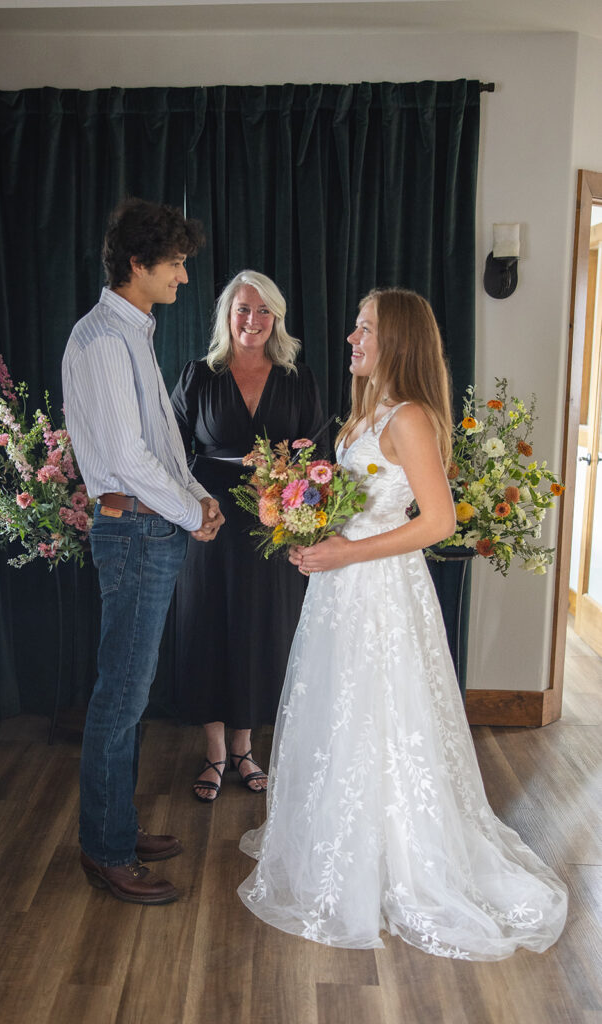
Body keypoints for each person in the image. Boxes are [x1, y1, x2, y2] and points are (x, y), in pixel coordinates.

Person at [238, 288, 568, 958]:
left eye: (364, 329)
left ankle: (397, 861)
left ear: (397, 343)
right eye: (356, 326)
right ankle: (344, 839)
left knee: (382, 716)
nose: (351, 339)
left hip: (381, 592)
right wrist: (316, 533)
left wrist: (345, 550)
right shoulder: (366, 415)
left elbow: (438, 522)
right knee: (342, 713)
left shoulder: (410, 418)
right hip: (342, 587)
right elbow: (359, 504)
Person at [62, 197, 225, 906]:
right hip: (133, 532)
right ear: (139, 263)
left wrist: (198, 497)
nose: (184, 277)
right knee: (120, 698)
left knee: (129, 694)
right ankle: (105, 850)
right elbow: (126, 457)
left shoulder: (134, 331)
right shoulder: (103, 338)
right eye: (177, 263)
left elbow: (159, 441)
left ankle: (118, 830)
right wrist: (191, 511)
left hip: (149, 527)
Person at [170, 270, 324, 802]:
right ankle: (214, 753)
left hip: (273, 523)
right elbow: (171, 450)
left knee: (261, 630)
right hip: (210, 519)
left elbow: (316, 456)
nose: (252, 321)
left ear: (275, 317)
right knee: (210, 626)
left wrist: (299, 509)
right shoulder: (199, 374)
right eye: (242, 310)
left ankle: (245, 748)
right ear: (227, 316)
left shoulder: (297, 378)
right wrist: (191, 507)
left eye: (262, 311)